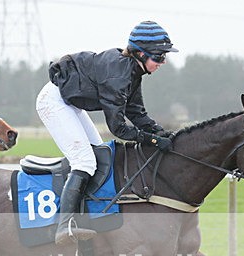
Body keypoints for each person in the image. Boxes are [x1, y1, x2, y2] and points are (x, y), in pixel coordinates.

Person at [36, 21, 177, 244]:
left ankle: (87, 215)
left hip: (70, 103)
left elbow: (137, 113)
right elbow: (118, 128)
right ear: (140, 53)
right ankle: (64, 226)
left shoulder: (132, 71)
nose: (163, 62)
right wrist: (152, 139)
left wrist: (163, 134)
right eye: (159, 56)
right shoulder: (118, 76)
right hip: (54, 102)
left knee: (101, 154)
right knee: (84, 162)